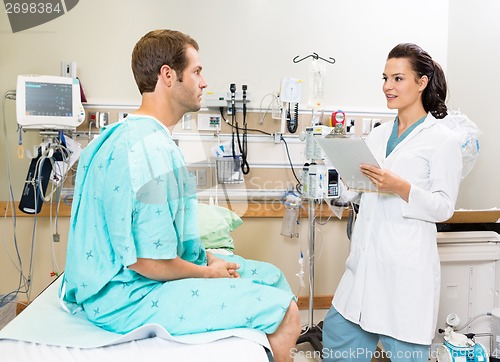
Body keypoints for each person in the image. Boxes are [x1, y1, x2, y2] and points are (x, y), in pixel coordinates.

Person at [59, 29, 300, 362]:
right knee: (285, 312)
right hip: (127, 296)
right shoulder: (151, 148)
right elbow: (148, 260)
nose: (203, 82)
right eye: (197, 71)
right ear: (168, 75)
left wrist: (207, 258)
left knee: (271, 277)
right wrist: (206, 273)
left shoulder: (119, 134)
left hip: (112, 285)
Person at [322, 43, 463, 361]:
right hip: (363, 266)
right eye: (385, 78)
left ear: (422, 82)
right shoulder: (376, 134)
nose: (387, 86)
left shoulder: (443, 141)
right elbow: (357, 192)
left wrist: (401, 187)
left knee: (406, 352)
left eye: (398, 78)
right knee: (338, 337)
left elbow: (443, 207)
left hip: (404, 271)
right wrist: (344, 178)